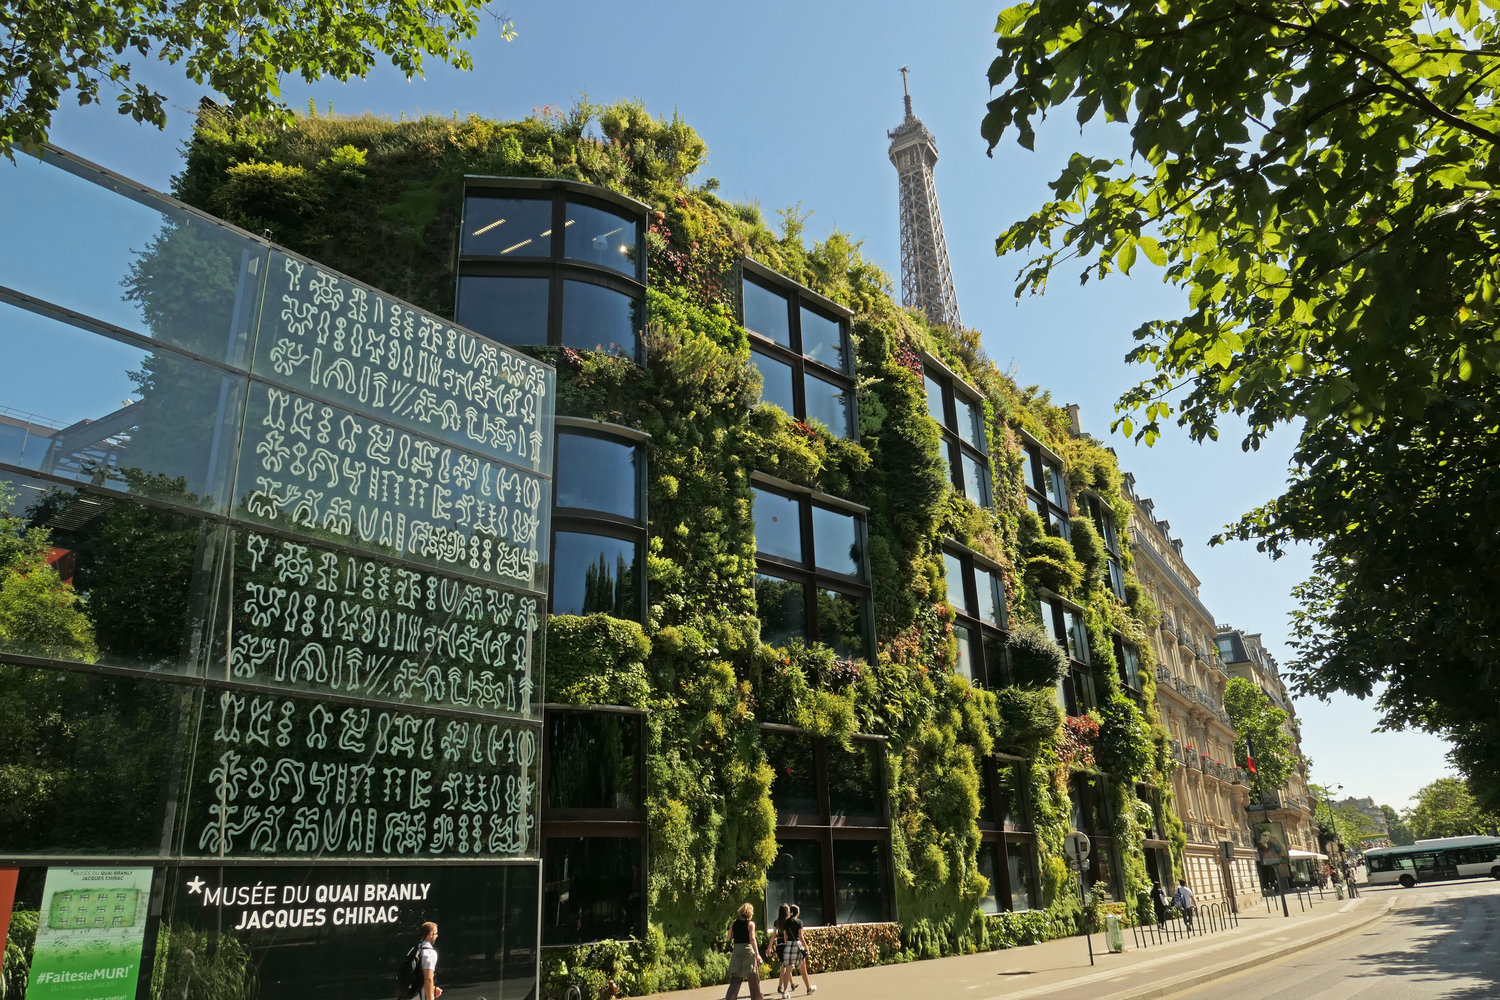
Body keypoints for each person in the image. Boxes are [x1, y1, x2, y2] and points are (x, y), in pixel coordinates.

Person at [724, 903, 764, 1000]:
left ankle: (730, 998)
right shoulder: (750, 924)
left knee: (736, 978)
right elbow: (752, 939)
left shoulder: (734, 923)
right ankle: (756, 997)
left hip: (737, 950)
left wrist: (728, 945)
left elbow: (729, 937)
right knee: (753, 977)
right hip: (748, 950)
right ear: (750, 913)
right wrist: (757, 954)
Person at [765, 903, 794, 999]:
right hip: (786, 945)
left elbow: (773, 935)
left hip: (779, 946)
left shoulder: (776, 922)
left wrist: (769, 947)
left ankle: (792, 984)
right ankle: (780, 986)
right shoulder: (788, 922)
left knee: (785, 965)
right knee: (785, 966)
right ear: (787, 911)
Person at [787, 905, 815, 995]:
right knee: (803, 969)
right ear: (797, 913)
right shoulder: (799, 922)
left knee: (787, 969)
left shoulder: (786, 922)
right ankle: (808, 988)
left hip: (789, 945)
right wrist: (806, 947)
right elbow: (801, 937)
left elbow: (785, 936)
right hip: (798, 945)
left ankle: (784, 991)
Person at [409, 922, 441, 1000]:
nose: (437, 936)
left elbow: (417, 975)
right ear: (430, 934)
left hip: (411, 995)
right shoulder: (429, 953)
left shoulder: (414, 949)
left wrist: (432, 988)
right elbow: (428, 979)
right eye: (436, 933)